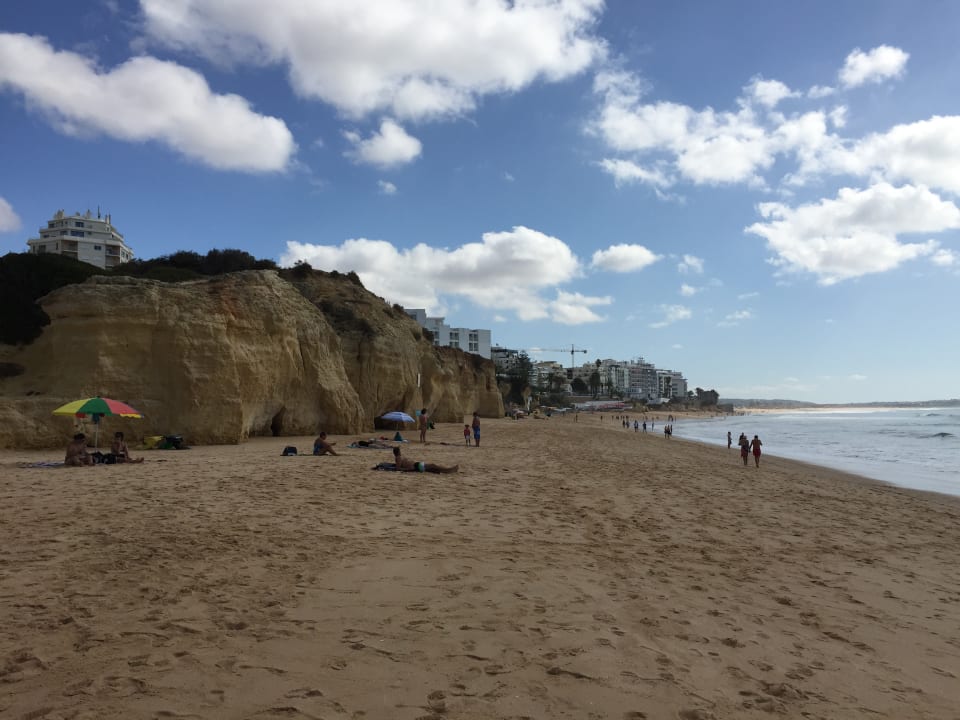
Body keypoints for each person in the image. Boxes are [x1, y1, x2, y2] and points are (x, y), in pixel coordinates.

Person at [392, 446, 458, 474]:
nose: (400, 451)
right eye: (400, 450)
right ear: (398, 452)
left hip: (416, 465)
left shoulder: (399, 457)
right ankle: (448, 470)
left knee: (433, 469)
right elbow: (398, 468)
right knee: (433, 465)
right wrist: (409, 469)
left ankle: (447, 470)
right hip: (416, 466)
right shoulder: (398, 458)